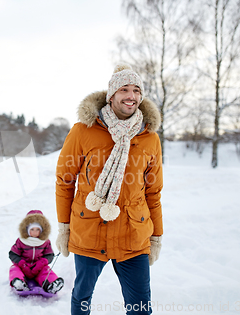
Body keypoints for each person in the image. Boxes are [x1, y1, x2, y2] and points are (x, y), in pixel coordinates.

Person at [55, 63, 163, 315]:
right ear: (111, 95)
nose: (131, 96)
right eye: (124, 89)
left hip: (133, 235)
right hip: (89, 230)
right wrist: (64, 228)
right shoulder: (83, 131)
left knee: (140, 307)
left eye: (136, 90)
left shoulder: (149, 138)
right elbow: (64, 181)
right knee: (81, 297)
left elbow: (153, 192)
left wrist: (156, 236)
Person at [8, 210, 64, 294]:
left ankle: (51, 284)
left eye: (37, 229)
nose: (35, 232)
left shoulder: (45, 242)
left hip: (38, 268)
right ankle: (19, 282)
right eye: (32, 229)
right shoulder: (21, 241)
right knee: (14, 269)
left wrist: (42, 262)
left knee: (46, 271)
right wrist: (21, 263)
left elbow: (49, 255)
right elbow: (13, 254)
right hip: (23, 267)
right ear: (27, 229)